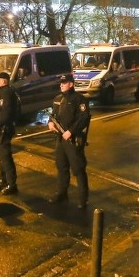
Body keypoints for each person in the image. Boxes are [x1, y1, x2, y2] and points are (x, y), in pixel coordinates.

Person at [47, 74, 90, 209]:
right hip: (60, 139)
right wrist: (50, 123)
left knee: (78, 169)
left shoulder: (79, 99)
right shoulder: (58, 99)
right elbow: (53, 115)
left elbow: (84, 118)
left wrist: (71, 131)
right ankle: (62, 193)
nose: (61, 85)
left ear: (71, 84)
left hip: (72, 140)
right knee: (61, 167)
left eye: (64, 83)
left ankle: (83, 200)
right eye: (60, 83)